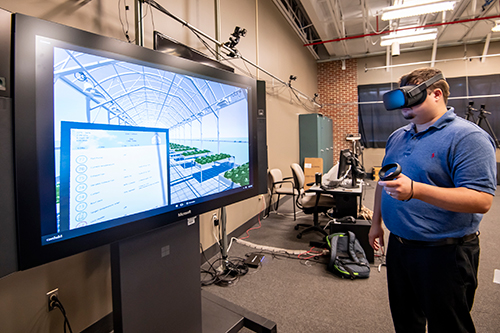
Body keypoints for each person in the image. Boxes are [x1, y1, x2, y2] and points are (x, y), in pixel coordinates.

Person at [368, 67, 497, 333]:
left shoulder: (468, 137)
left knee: (448, 326)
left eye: (412, 99)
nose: (405, 109)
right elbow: (385, 181)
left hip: (444, 253)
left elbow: (481, 200)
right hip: (400, 248)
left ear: (437, 94)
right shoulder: (398, 136)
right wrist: (375, 223)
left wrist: (416, 189)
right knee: (406, 321)